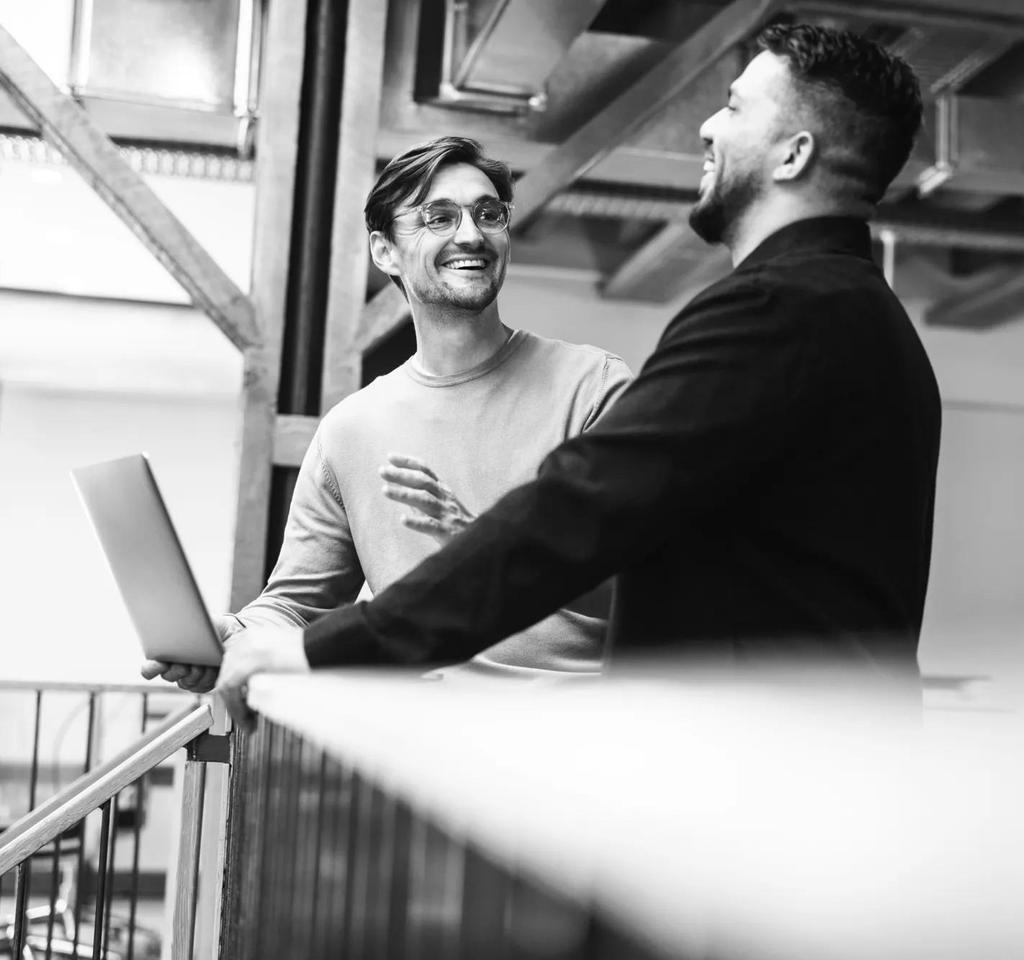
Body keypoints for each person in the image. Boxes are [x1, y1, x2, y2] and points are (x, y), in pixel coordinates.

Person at [213, 22, 940, 713]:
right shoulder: (859, 316)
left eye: (732, 107)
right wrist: (257, 639)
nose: (707, 127)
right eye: (436, 218)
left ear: (793, 156)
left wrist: (331, 648)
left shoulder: (776, 313)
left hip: (770, 782)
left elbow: (574, 519)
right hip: (799, 774)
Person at [143, 136, 631, 690]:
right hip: (406, 740)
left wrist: (498, 549)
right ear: (384, 251)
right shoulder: (352, 429)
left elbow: (656, 582)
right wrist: (236, 635)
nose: (471, 234)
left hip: (563, 738)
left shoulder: (593, 387)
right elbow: (297, 607)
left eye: (488, 213)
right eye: (438, 217)